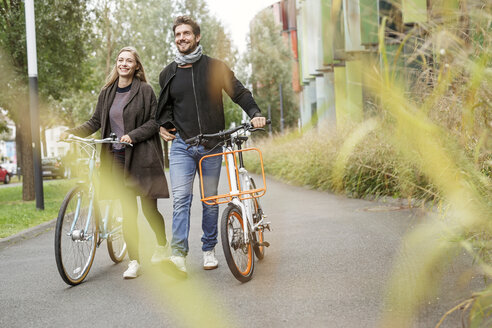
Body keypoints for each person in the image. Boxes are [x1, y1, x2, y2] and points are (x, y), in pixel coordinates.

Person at [157, 16, 266, 275]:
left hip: (212, 145)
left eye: (186, 33)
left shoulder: (215, 67)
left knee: (210, 201)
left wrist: (255, 113)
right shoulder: (168, 73)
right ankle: (178, 256)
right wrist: (162, 125)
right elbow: (163, 109)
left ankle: (208, 249)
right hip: (183, 146)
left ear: (197, 37)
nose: (181, 38)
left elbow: (239, 93)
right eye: (177, 34)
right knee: (181, 201)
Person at [62, 46, 170, 279]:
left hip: (142, 157)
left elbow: (154, 122)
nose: (123, 64)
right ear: (117, 65)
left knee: (150, 210)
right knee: (128, 211)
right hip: (118, 158)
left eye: (129, 61)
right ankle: (134, 261)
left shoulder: (145, 90)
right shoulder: (107, 92)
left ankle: (162, 245)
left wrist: (133, 134)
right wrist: (71, 132)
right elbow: (94, 122)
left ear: (136, 66)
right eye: (120, 60)